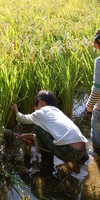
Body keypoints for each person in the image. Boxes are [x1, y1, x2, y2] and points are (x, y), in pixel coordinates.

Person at [11, 90, 89, 164]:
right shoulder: (57, 112)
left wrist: (16, 111)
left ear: (40, 102)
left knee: (38, 128)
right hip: (82, 150)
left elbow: (22, 119)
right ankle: (82, 160)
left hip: (68, 152)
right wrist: (27, 136)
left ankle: (46, 162)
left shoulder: (40, 112)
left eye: (35, 107)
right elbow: (50, 135)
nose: (35, 110)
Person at [86, 28, 100, 161]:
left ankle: (96, 158)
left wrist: (89, 106)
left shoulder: (99, 61)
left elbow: (97, 89)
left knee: (96, 138)